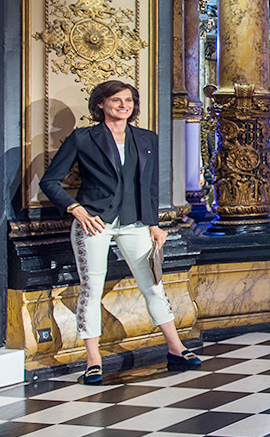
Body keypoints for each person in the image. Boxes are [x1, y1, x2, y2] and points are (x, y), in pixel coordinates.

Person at [40, 80, 201, 384]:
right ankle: (93, 360)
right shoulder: (82, 138)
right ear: (100, 104)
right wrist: (76, 209)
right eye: (116, 100)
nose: (124, 105)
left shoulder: (146, 138)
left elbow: (150, 187)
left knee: (153, 285)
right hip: (94, 222)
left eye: (128, 100)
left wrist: (154, 224)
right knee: (91, 288)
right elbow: (49, 182)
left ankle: (176, 348)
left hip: (135, 222)